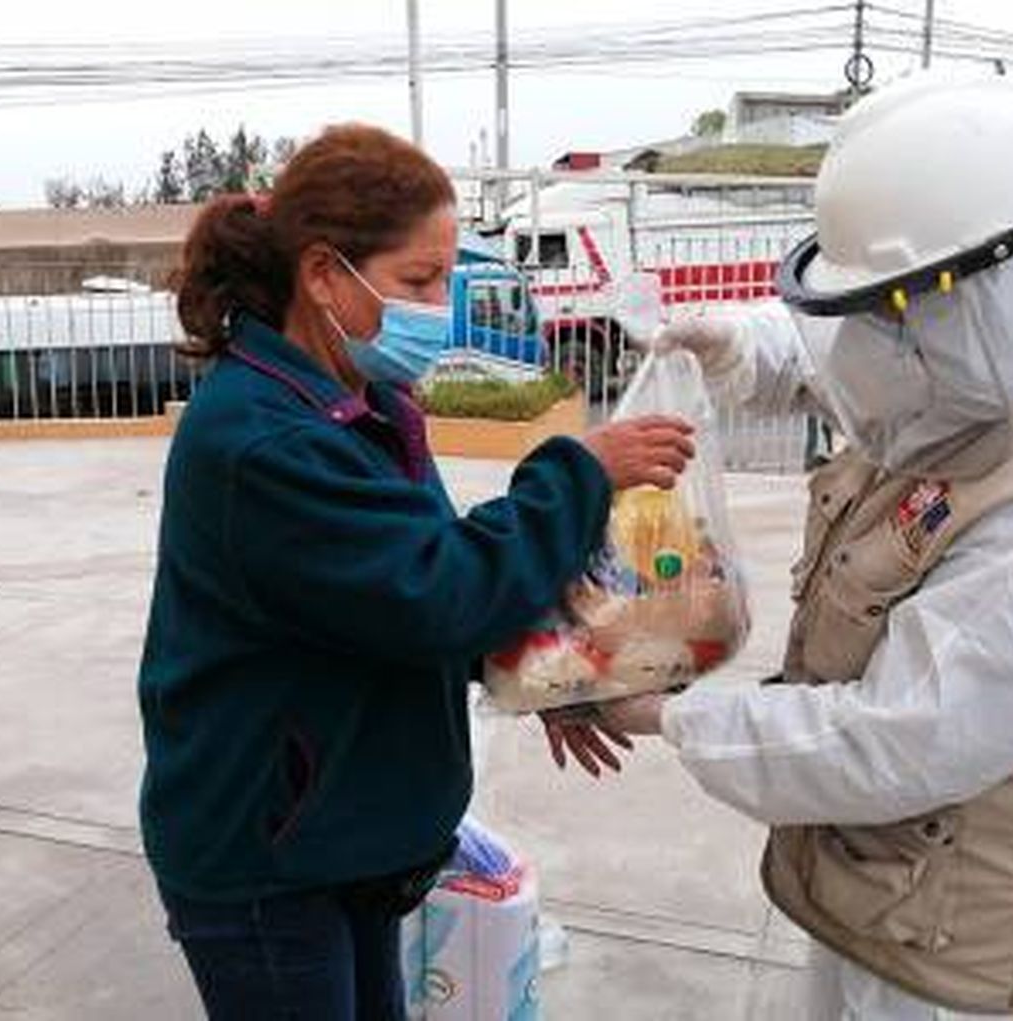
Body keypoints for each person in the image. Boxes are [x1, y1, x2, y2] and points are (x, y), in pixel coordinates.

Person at [580, 73, 1013, 1019]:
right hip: (885, 899)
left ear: (995, 287)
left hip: (958, 958)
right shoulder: (971, 388)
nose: (874, 342)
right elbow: (845, 366)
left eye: (894, 309)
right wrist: (737, 344)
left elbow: (898, 739)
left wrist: (670, 717)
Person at [136, 124, 690, 1020]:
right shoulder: (261, 440)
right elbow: (433, 589)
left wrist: (536, 670)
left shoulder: (366, 403)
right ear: (323, 275)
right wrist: (577, 472)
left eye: (446, 277)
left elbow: (395, 588)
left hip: (344, 834)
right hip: (268, 863)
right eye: (420, 281)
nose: (442, 305)